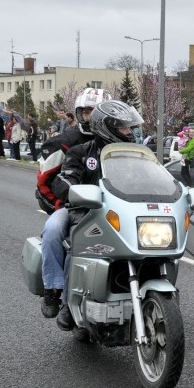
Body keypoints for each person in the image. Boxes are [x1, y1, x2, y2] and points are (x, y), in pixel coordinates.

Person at [39, 100, 142, 330]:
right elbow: (65, 179)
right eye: (125, 128)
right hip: (84, 210)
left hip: (121, 212)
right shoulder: (81, 152)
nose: (130, 133)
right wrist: (75, 192)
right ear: (109, 128)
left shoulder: (137, 157)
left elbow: (154, 178)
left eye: (130, 128)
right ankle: (59, 294)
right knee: (56, 231)